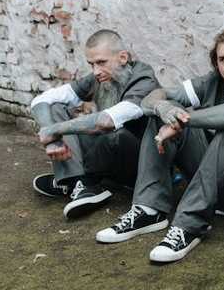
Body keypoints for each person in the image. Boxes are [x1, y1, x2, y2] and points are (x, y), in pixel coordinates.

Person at [96, 28, 224, 263]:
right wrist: (164, 109)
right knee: (161, 114)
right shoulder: (211, 82)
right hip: (218, 188)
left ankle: (188, 225)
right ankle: (148, 210)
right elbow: (154, 95)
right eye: (223, 60)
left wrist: (183, 120)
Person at [30, 30, 159, 220]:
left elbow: (106, 122)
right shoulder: (100, 77)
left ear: (122, 57)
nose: (96, 71)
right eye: (91, 64)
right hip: (107, 155)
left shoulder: (144, 79)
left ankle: (75, 181)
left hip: (137, 164)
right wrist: (51, 141)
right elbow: (42, 100)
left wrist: (52, 131)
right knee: (56, 107)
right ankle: (79, 183)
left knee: (115, 133)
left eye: (101, 62)